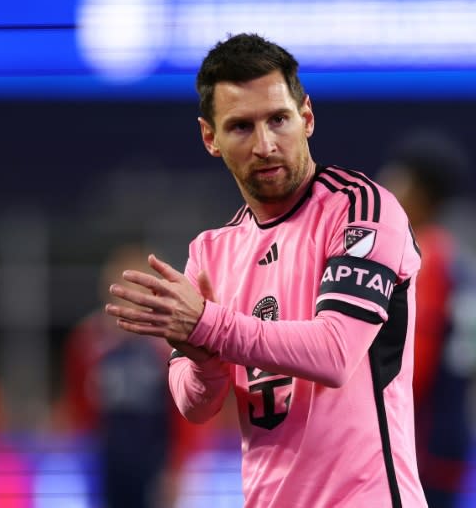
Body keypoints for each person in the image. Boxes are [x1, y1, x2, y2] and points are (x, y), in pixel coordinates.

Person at [105, 33, 427, 508]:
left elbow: (335, 353)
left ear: (307, 117)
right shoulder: (211, 252)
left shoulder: (361, 208)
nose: (265, 144)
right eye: (241, 127)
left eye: (278, 119)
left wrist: (207, 324)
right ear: (209, 137)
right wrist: (203, 357)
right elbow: (196, 405)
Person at [378, 130, 476, 508]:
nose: (386, 186)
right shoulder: (460, 263)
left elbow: (413, 366)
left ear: (419, 191)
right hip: (451, 437)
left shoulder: (419, 260)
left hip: (415, 445)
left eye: (397, 177)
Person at [59, 244, 216, 508]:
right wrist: (82, 448)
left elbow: (188, 407)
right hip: (108, 456)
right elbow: (79, 403)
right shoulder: (88, 340)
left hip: (154, 455)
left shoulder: (170, 342)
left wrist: (179, 466)